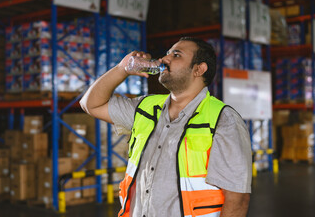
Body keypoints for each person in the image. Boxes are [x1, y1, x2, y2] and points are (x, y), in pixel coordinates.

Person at [80, 37, 252, 217]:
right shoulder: (146, 107)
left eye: (176, 55)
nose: (164, 59)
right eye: (168, 53)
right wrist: (122, 69)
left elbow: (237, 198)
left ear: (199, 69)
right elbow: (90, 104)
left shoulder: (224, 120)